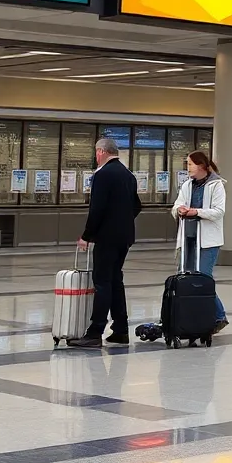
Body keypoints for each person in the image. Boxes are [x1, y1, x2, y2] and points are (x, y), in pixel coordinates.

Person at [67, 138, 142, 348]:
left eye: (96, 153)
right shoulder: (128, 175)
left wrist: (87, 235)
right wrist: (122, 222)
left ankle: (95, 332)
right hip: (124, 237)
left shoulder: (102, 175)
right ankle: (120, 329)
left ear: (101, 152)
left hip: (107, 238)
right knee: (116, 280)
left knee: (102, 282)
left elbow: (97, 209)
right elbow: (137, 206)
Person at [171, 151, 228, 332]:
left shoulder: (216, 185)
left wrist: (197, 212)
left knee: (203, 277)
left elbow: (219, 211)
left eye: (190, 164)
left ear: (201, 165)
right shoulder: (187, 185)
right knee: (186, 278)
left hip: (208, 242)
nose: (187, 168)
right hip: (189, 238)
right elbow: (176, 205)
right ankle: (193, 317)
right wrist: (179, 210)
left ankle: (219, 316)